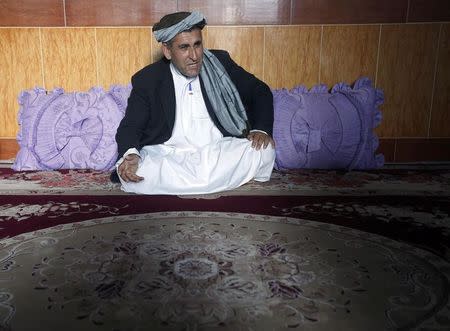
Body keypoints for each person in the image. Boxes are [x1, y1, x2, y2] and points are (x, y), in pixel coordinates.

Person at [111, 11, 276, 195]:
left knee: (264, 150)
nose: (194, 56)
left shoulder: (220, 63)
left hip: (218, 153)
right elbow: (131, 125)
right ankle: (218, 181)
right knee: (134, 168)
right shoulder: (148, 79)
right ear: (167, 51)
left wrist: (260, 129)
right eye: (184, 47)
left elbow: (259, 91)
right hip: (169, 155)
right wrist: (131, 154)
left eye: (197, 45)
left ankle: (183, 183)